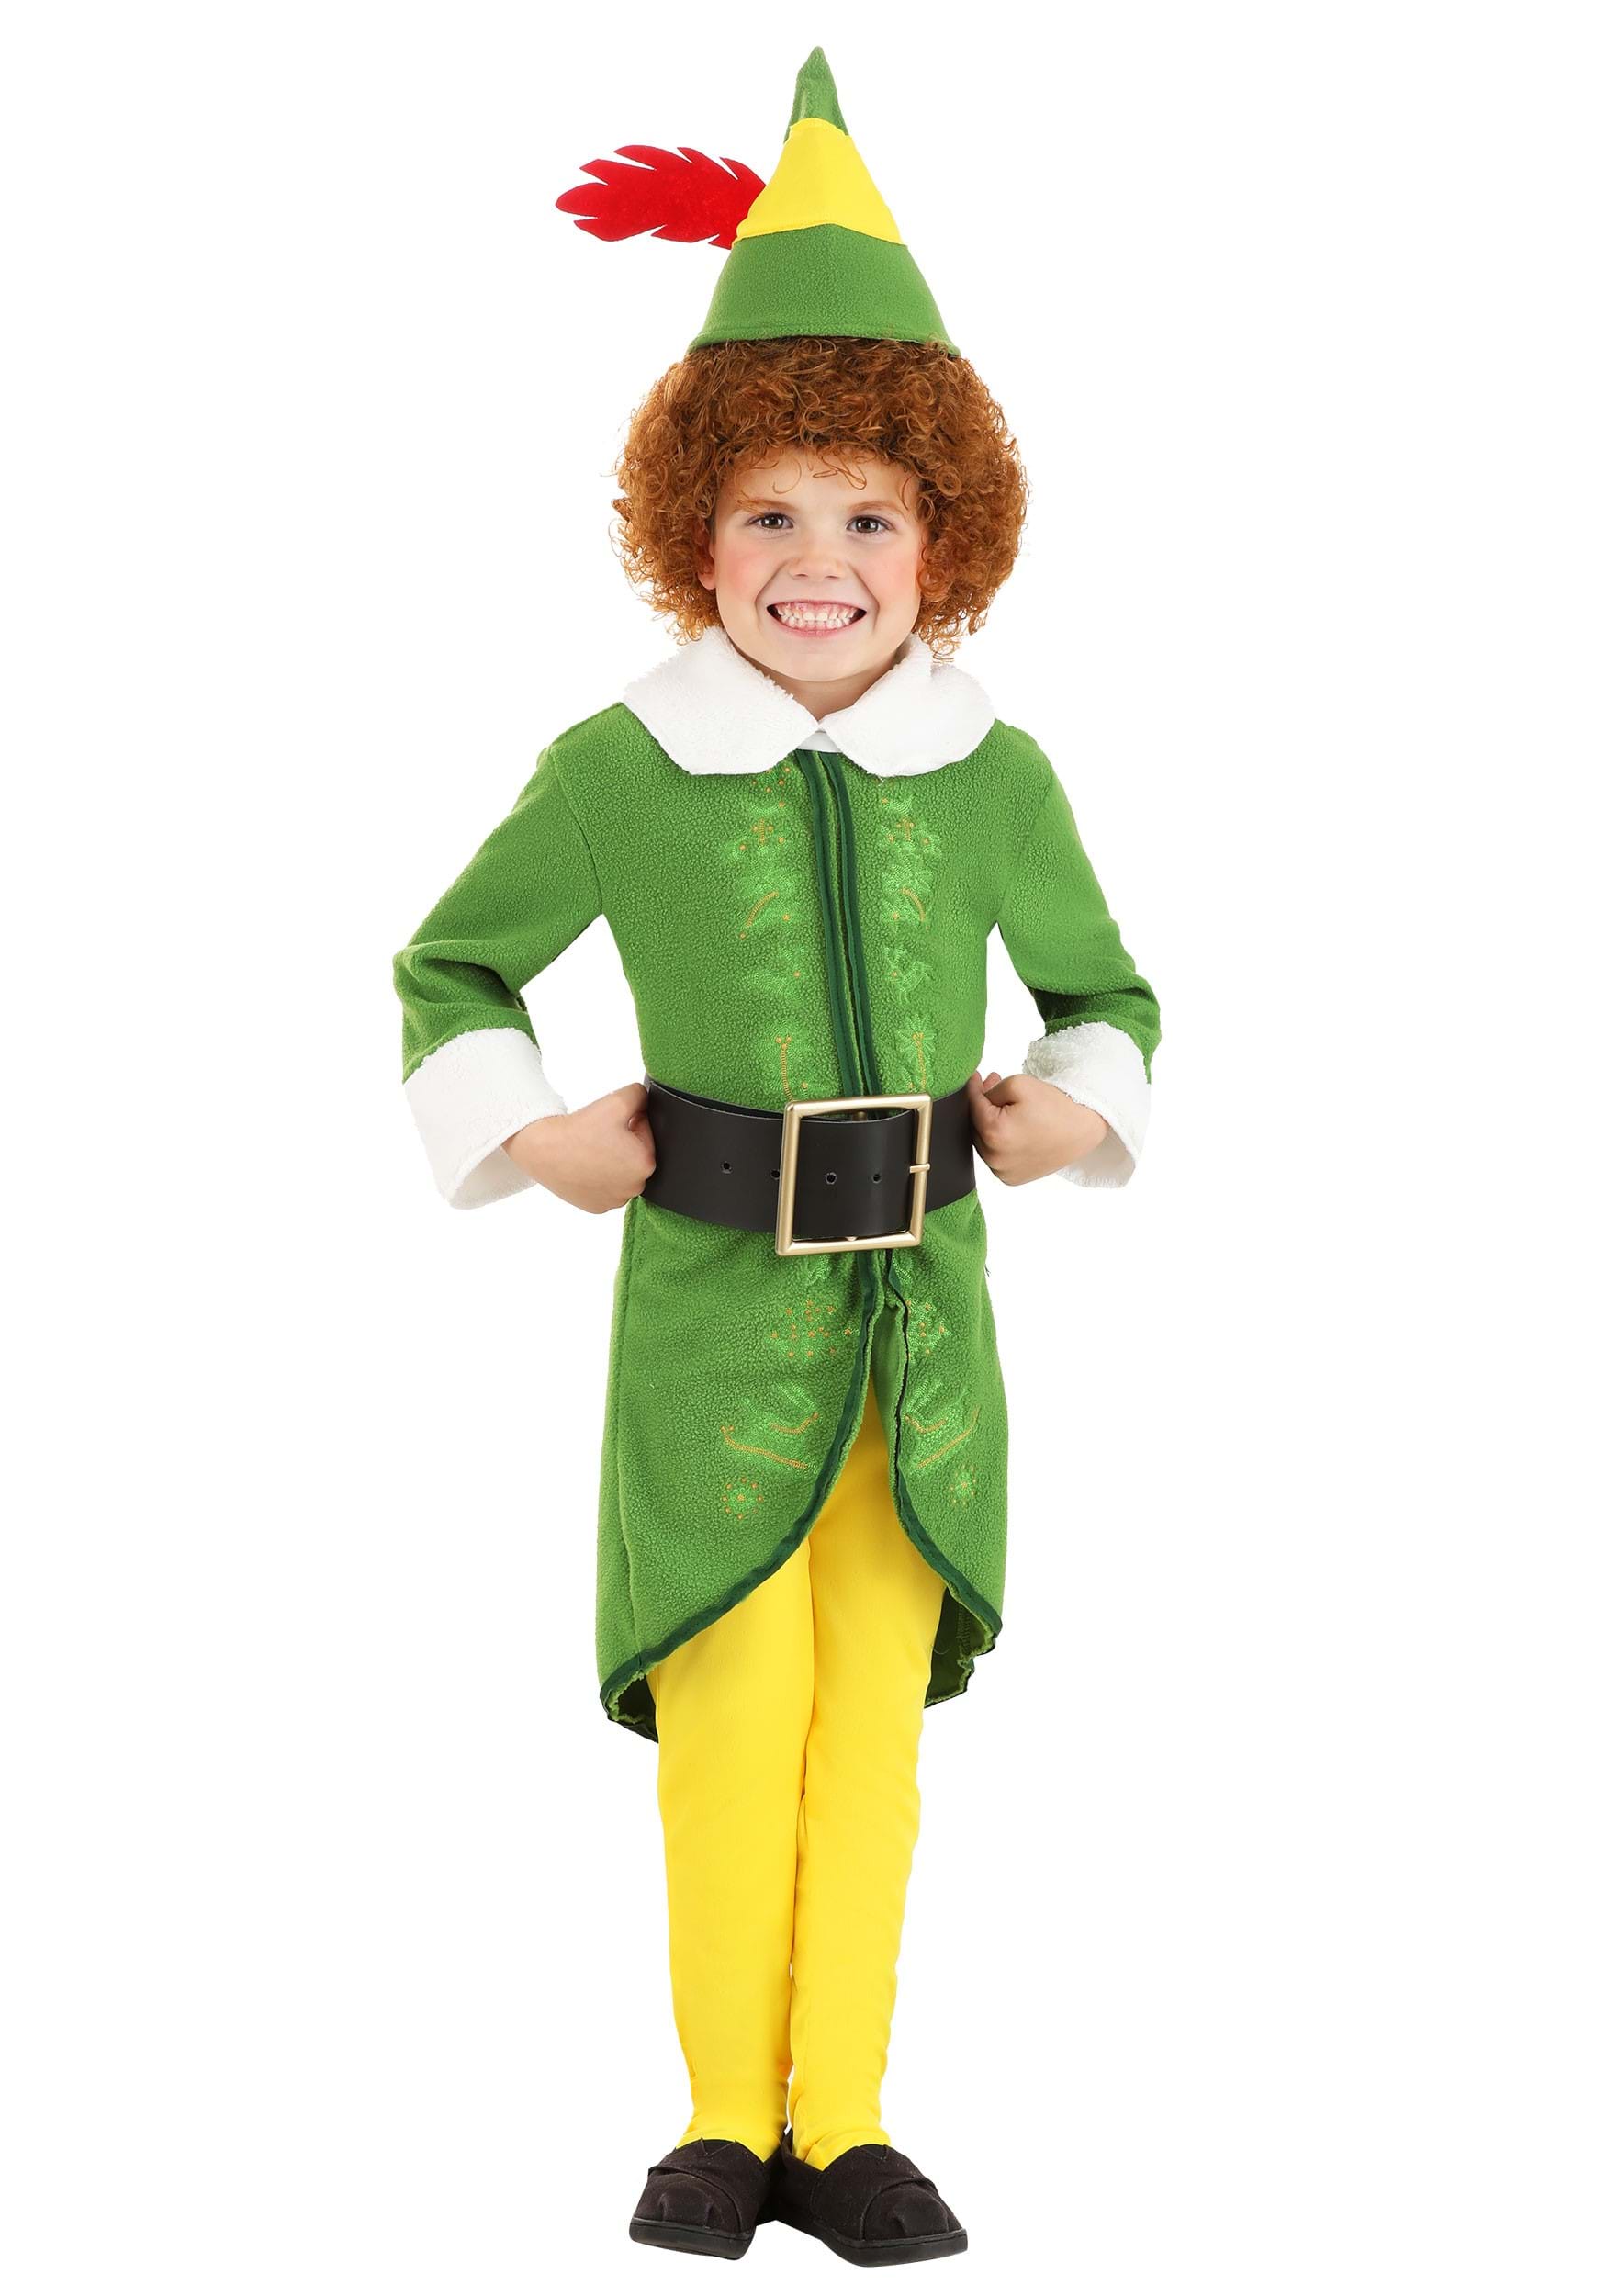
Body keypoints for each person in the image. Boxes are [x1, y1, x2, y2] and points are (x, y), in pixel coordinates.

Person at [394, 47, 1160, 2268]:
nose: (818, 565)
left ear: (947, 539)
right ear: (687, 531)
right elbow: (452, 963)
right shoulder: (619, 767)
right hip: (710, 1322)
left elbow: (1107, 990)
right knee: (735, 1722)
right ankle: (725, 2116)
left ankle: (855, 2119)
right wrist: (534, 1132)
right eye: (766, 515)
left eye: (868, 517)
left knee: (873, 1740)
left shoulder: (992, 773)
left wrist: (1070, 1110)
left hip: (923, 1329)